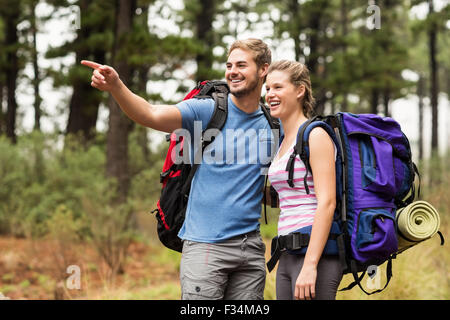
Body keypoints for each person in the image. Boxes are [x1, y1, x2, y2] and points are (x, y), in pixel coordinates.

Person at [82, 38, 277, 300]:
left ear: (263, 69)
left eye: (242, 65)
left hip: (251, 250)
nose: (232, 71)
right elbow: (150, 114)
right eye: (229, 65)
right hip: (205, 247)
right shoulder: (208, 111)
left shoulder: (274, 124)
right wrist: (117, 86)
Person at [265, 60, 342, 300]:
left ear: (300, 90)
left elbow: (327, 202)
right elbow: (291, 196)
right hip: (287, 252)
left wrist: (310, 265)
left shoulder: (315, 135)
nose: (270, 95)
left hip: (315, 254)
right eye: (267, 89)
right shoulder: (283, 141)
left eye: (278, 87)